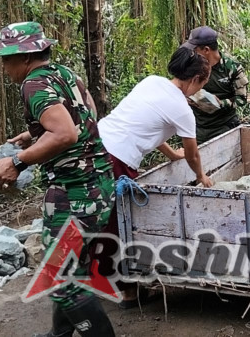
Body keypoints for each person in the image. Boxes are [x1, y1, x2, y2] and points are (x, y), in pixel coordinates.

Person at [0, 21, 115, 337]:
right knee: (72, 267)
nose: (4, 66)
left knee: (60, 277)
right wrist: (34, 134)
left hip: (73, 192)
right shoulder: (65, 74)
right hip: (99, 183)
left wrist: (17, 161)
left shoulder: (33, 84)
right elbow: (86, 116)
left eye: (7, 58)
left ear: (26, 56)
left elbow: (66, 133)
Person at [97, 46, 214, 308]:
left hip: (96, 144)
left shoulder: (152, 82)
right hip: (117, 158)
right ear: (196, 79)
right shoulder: (182, 109)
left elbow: (148, 123)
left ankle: (100, 277)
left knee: (96, 213)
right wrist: (202, 177)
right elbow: (193, 154)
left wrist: (172, 154)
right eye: (203, 84)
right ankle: (125, 291)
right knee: (117, 223)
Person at [183, 26, 249, 144]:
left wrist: (220, 103)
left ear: (206, 50)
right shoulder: (191, 67)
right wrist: (187, 99)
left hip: (225, 128)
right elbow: (182, 88)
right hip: (198, 130)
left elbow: (241, 99)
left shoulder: (232, 68)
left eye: (195, 50)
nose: (192, 53)